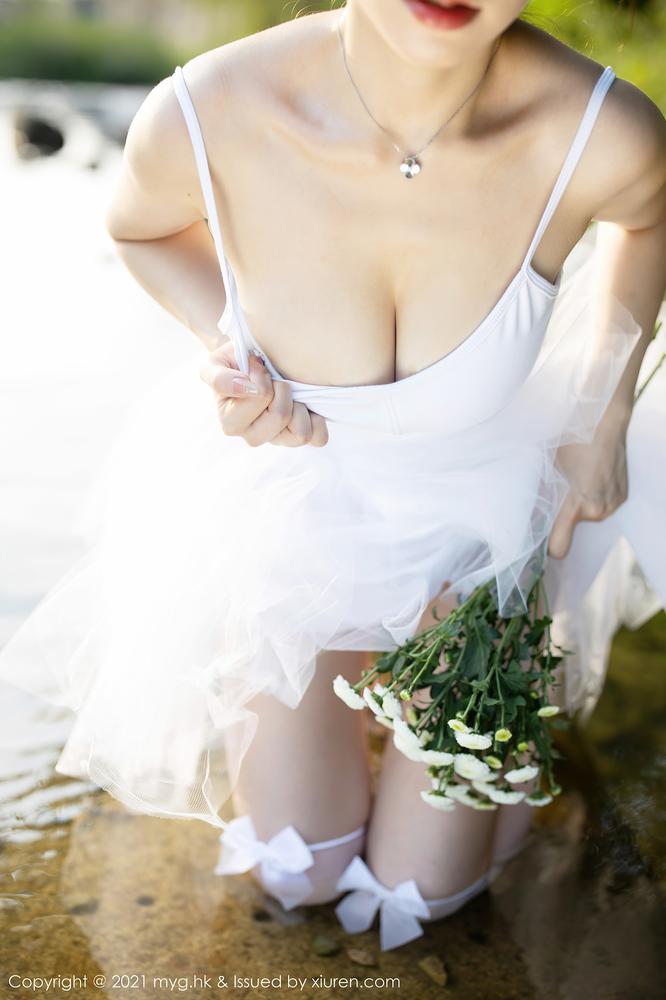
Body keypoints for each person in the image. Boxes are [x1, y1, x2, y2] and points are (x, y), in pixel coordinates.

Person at [1, 0, 665, 952]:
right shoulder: (206, 110)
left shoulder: (600, 128)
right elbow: (139, 228)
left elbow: (650, 215)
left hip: (478, 532)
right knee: (297, 870)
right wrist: (231, 345)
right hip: (302, 516)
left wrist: (606, 412)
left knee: (422, 895)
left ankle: (469, 734)